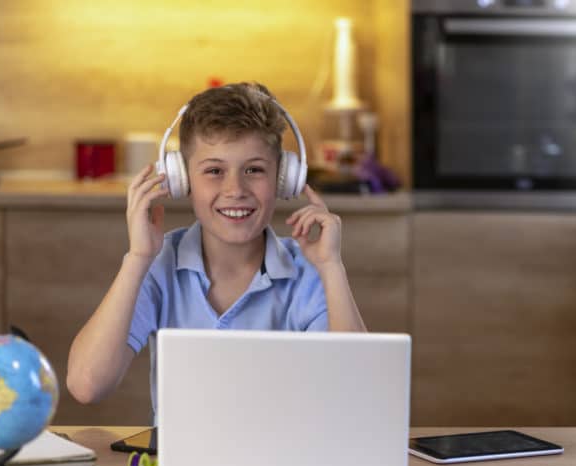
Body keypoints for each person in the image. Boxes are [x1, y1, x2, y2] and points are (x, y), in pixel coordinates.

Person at [67, 82, 366, 408]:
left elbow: (357, 389)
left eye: (254, 169)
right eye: (214, 170)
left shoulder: (309, 271)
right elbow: (86, 384)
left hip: (286, 458)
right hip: (181, 460)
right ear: (181, 179)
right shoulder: (160, 264)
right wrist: (138, 257)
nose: (235, 189)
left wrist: (331, 267)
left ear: (283, 177)